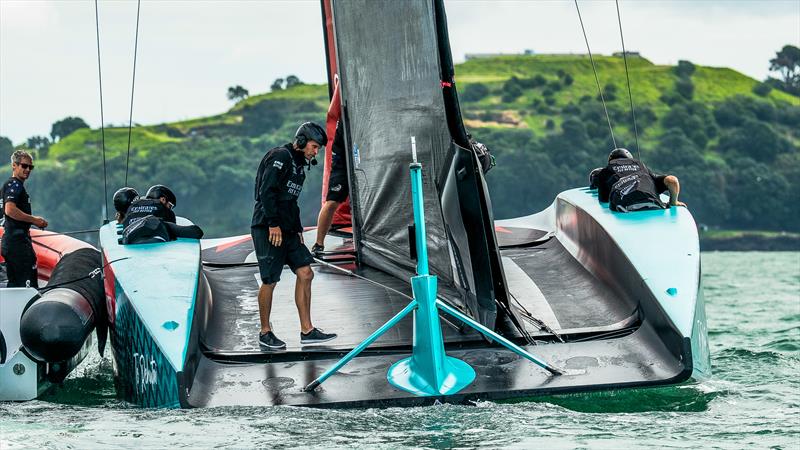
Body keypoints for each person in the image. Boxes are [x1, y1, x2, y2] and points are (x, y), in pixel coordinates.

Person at [252, 121, 337, 349]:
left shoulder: (299, 165)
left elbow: (292, 202)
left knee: (306, 273)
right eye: (313, 146)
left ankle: (307, 331)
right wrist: (273, 225)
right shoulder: (280, 156)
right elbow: (266, 192)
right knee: (270, 280)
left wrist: (298, 230)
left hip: (289, 229)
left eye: (318, 148)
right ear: (300, 142)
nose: (315, 151)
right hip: (268, 226)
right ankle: (265, 332)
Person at [1, 150, 47, 288]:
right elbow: (10, 210)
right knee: (28, 284)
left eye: (30, 167)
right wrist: (34, 220)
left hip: (12, 241)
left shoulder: (9, 186)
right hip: (17, 243)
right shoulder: (14, 185)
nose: (27, 170)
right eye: (24, 166)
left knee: (16, 285)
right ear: (14, 166)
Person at [593, 148, 686, 212]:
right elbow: (672, 180)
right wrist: (673, 202)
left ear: (610, 160)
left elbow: (604, 200)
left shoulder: (605, 171)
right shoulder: (642, 167)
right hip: (653, 203)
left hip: (624, 206)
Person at [121, 184, 203, 245]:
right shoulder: (159, 222)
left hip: (128, 240)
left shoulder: (132, 207)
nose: (169, 209)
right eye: (170, 206)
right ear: (163, 199)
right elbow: (197, 232)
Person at [312, 121, 348, 255]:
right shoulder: (344, 116)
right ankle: (318, 244)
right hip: (342, 160)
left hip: (364, 156)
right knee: (332, 201)